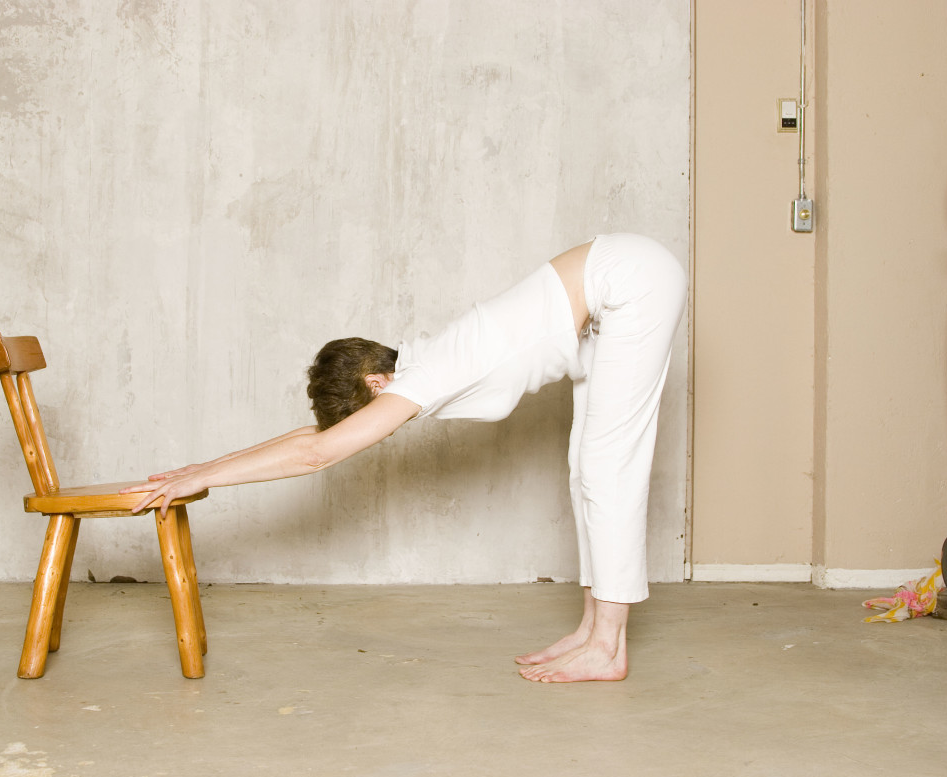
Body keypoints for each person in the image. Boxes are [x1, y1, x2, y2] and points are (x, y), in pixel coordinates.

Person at [124, 233, 687, 683]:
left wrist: (209, 478)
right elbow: (311, 436)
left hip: (632, 281)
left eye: (368, 415)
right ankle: (595, 631)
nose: (378, 431)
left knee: (608, 467)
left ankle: (608, 648)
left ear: (375, 381)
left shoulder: (429, 374)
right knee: (587, 470)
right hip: (618, 282)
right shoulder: (426, 363)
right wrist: (205, 467)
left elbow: (317, 454)